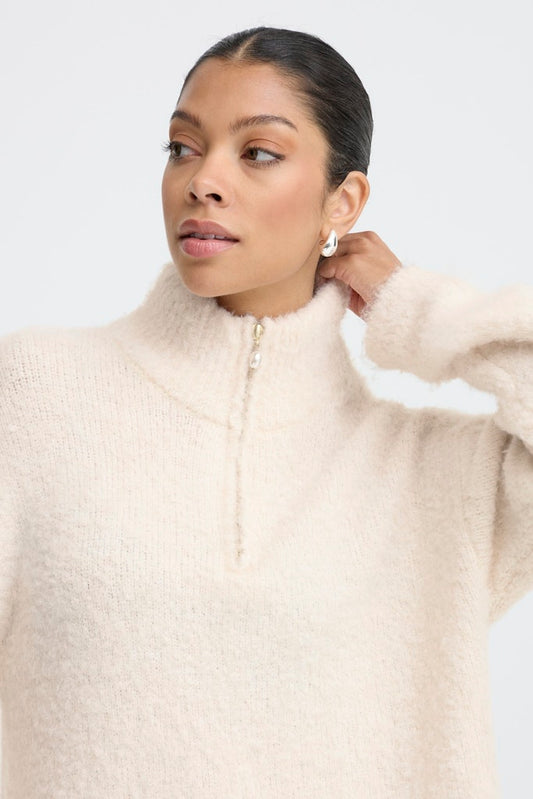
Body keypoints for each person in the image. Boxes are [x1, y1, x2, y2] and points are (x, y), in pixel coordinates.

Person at [0, 25, 531, 798]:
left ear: (342, 201)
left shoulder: (439, 478)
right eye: (182, 147)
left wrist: (415, 307)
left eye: (256, 152)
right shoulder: (39, 395)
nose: (202, 180)